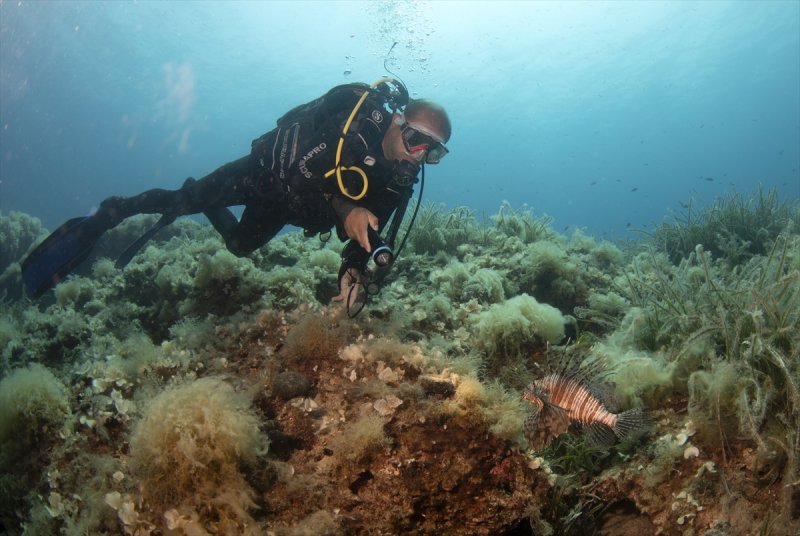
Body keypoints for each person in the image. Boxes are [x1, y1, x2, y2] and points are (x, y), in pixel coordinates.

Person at [21, 79, 452, 313]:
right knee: (180, 203)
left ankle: (204, 197)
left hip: (292, 210)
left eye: (433, 152)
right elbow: (307, 172)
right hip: (264, 176)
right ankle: (113, 212)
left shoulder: (400, 179)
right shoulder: (353, 124)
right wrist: (347, 209)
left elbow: (368, 234)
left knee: (240, 246)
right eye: (417, 141)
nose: (420, 157)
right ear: (397, 123)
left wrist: (352, 268)